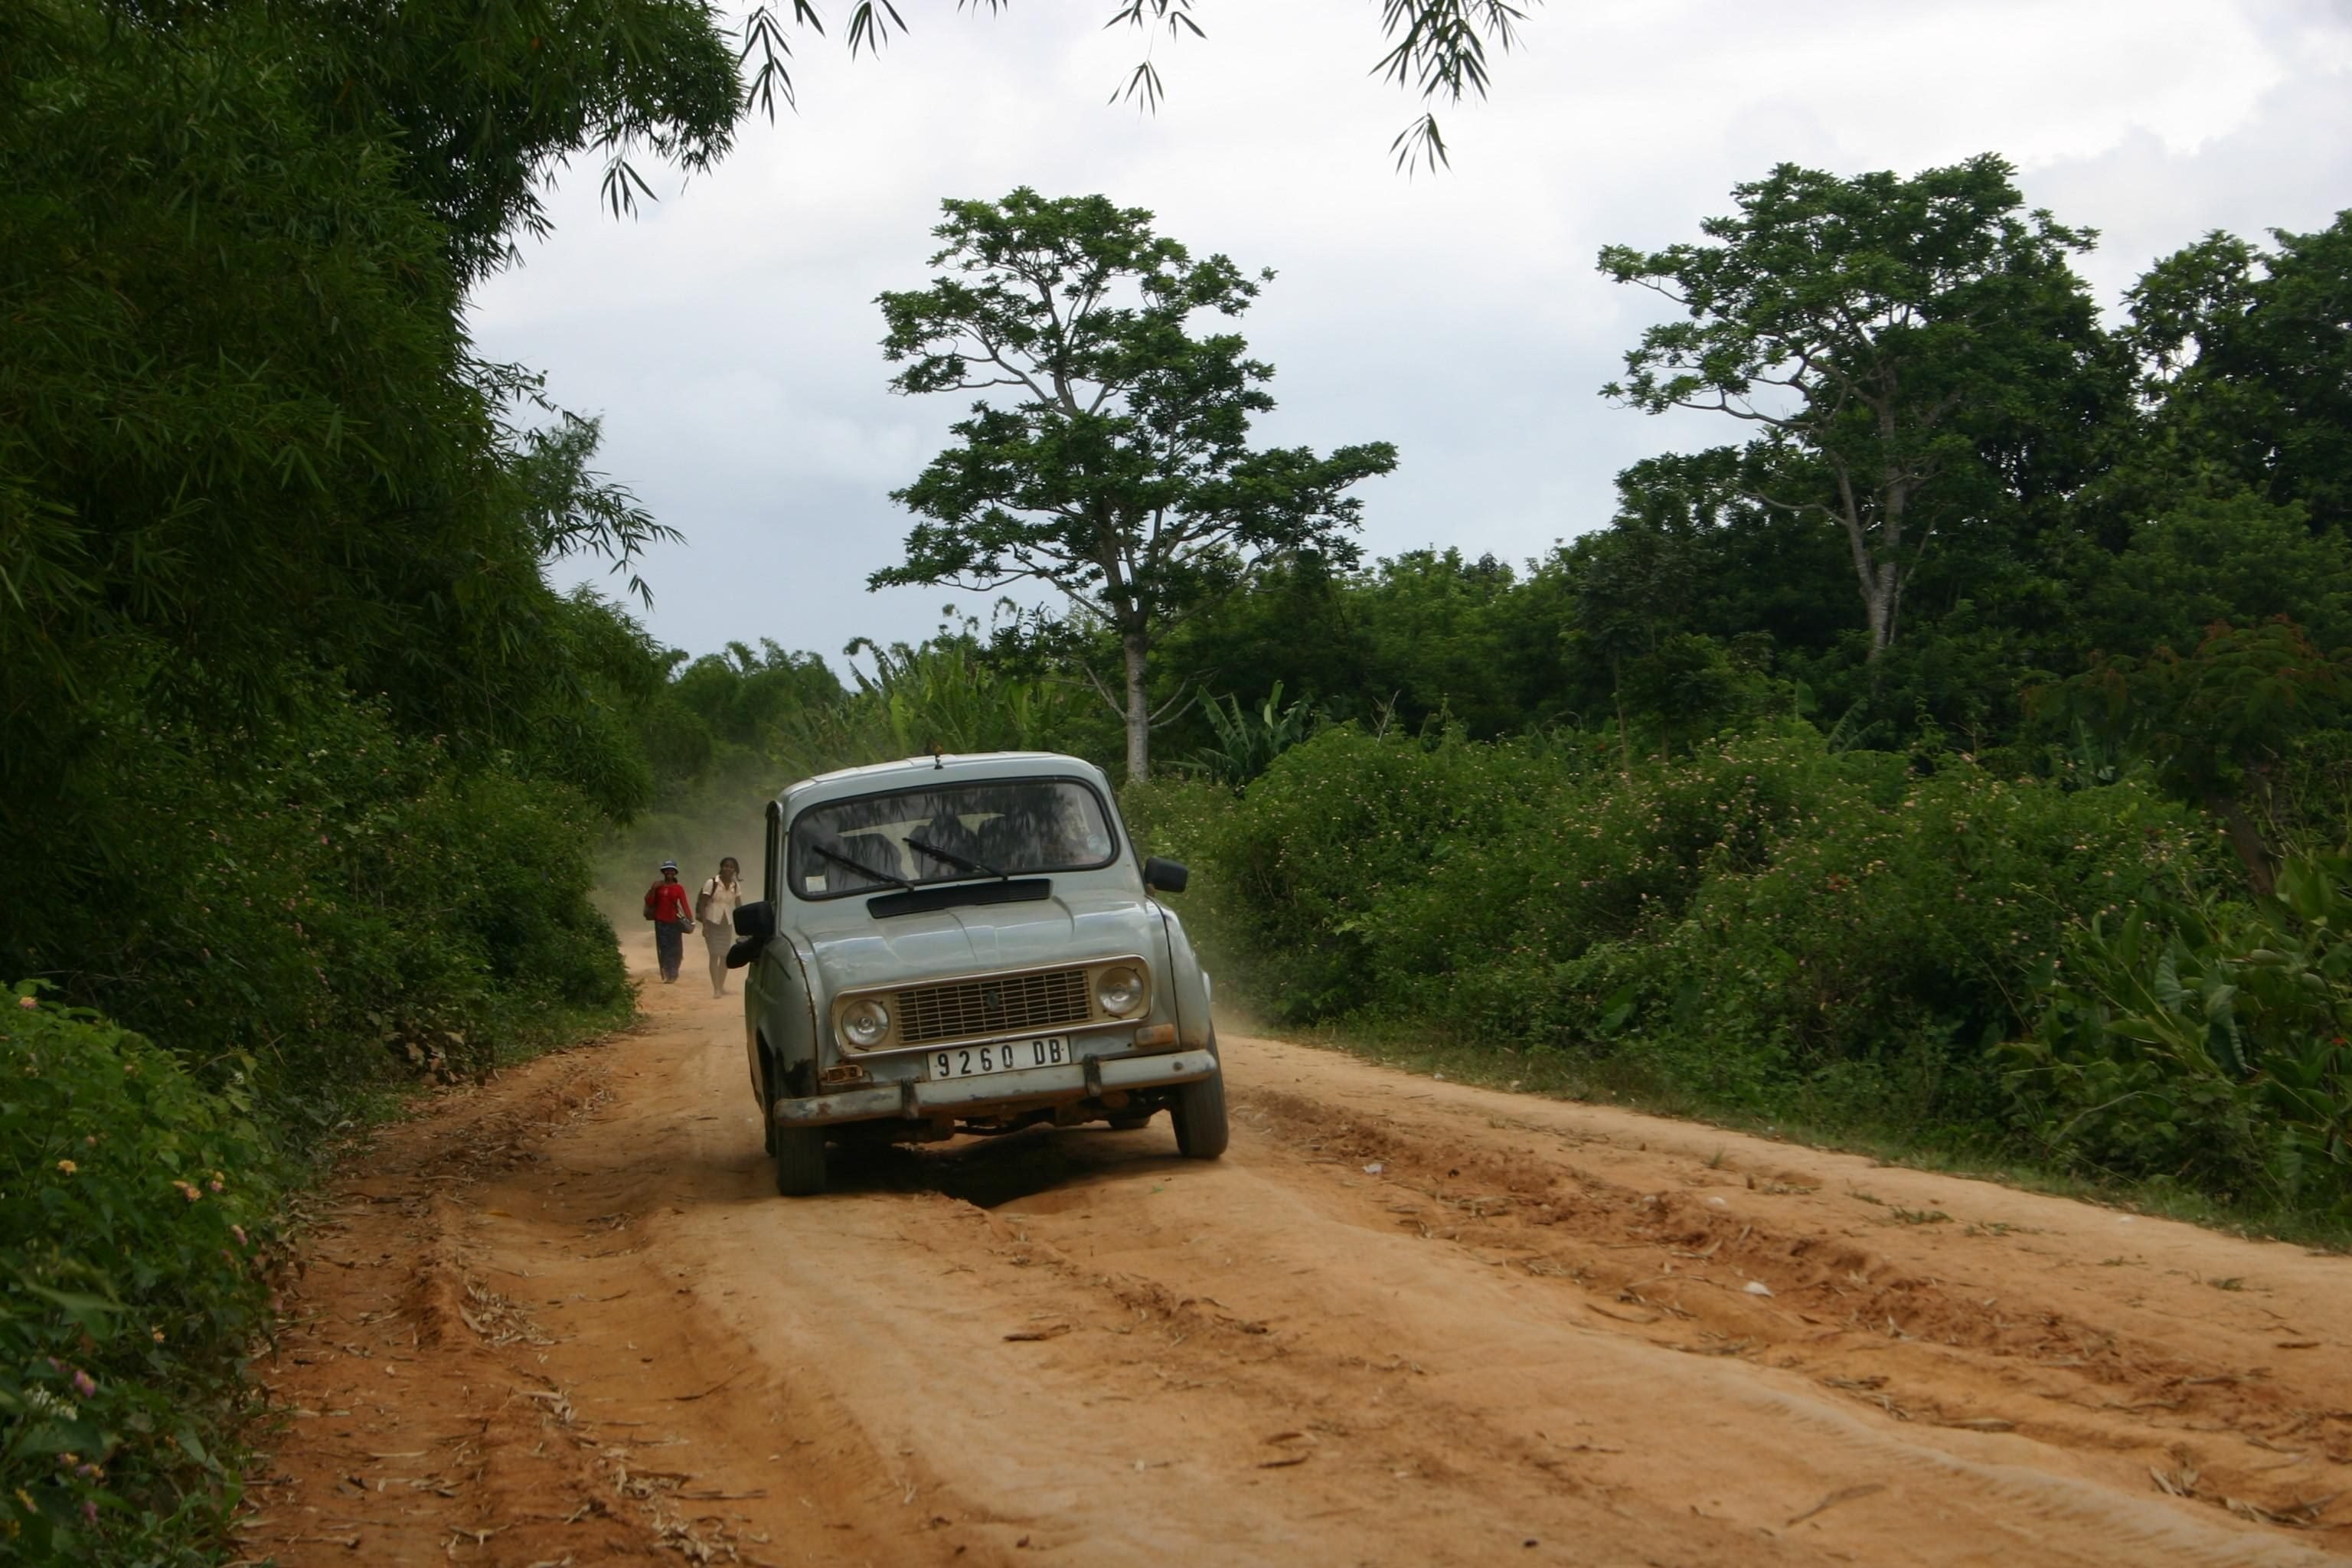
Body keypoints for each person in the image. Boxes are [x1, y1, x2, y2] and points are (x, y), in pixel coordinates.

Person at [697, 857, 743, 998]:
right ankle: (716, 988)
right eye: (726, 866)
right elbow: (702, 904)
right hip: (712, 923)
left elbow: (739, 906)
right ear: (721, 867)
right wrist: (705, 926)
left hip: (726, 925)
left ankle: (721, 986)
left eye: (731, 867)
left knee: (724, 957)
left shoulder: (735, 886)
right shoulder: (712, 883)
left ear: (735, 870)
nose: (728, 869)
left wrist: (745, 925)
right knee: (714, 955)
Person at [642, 861, 694, 983]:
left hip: (674, 922)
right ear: (663, 872)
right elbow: (650, 902)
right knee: (664, 948)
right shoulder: (658, 887)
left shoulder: (679, 888)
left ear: (675, 872)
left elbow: (684, 904)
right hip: (661, 922)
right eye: (667, 870)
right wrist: (653, 889)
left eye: (672, 870)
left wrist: (690, 920)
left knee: (676, 948)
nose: (669, 872)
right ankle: (668, 972)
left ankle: (674, 971)